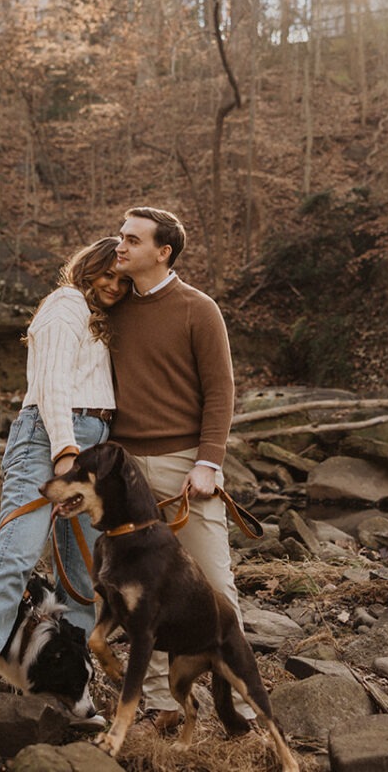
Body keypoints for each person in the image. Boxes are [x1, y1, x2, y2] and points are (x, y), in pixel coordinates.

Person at [0, 237, 128, 730]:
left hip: (93, 440)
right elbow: (52, 384)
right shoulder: (64, 304)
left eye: (123, 279)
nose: (113, 283)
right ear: (86, 266)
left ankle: (71, 698)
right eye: (106, 271)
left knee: (82, 579)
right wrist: (65, 452)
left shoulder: (99, 320)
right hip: (51, 437)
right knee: (12, 561)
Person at [106, 205, 254, 730]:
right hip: (122, 472)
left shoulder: (199, 309)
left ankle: (232, 701)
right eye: (119, 236)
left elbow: (221, 390)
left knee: (215, 585)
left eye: (131, 239)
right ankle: (163, 706)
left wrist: (209, 462)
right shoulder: (110, 306)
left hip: (184, 468)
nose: (118, 245)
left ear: (162, 251)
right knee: (141, 592)